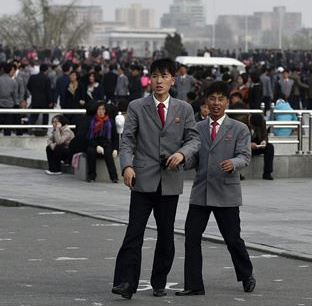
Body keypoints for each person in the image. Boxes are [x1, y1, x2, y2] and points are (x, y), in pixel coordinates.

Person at [112, 58, 200, 300]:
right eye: (155, 76)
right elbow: (127, 140)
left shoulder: (184, 108)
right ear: (150, 79)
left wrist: (182, 154)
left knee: (166, 234)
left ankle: (159, 281)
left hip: (170, 180)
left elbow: (194, 139)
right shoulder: (137, 106)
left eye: (164, 76)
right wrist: (127, 166)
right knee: (134, 233)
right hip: (141, 178)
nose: (159, 80)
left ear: (174, 79)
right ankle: (125, 282)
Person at [176, 81, 255, 296]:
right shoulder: (197, 128)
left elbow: (245, 156)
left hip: (226, 191)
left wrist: (234, 163)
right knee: (192, 237)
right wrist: (181, 161)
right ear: (206, 102)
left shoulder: (239, 128)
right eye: (212, 99)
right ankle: (194, 285)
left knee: (232, 239)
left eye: (221, 99)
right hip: (201, 192)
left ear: (228, 102)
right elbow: (194, 160)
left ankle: (246, 274)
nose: (216, 103)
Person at [85, 102, 119, 182]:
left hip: (106, 143)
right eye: (99, 109)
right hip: (94, 143)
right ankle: (91, 176)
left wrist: (116, 149)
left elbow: (115, 137)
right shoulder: (91, 121)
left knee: (108, 153)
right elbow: (88, 137)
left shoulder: (110, 122)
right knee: (91, 152)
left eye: (103, 109)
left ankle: (114, 177)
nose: (101, 111)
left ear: (105, 111)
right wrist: (96, 146)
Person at [0, 62, 19, 136]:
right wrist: (16, 105)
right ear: (10, 70)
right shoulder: (13, 82)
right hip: (9, 106)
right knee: (7, 127)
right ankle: (7, 141)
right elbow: (15, 97)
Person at [26, 64, 54, 129]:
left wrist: (33, 92)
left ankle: (29, 129)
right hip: (45, 102)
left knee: (34, 116)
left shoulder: (33, 77)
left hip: (35, 100)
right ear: (46, 70)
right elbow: (48, 91)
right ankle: (44, 130)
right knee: (45, 116)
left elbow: (28, 86)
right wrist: (50, 101)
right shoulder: (47, 79)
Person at [249, 113, 274, 180]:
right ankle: (237, 174)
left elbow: (265, 135)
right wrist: (249, 144)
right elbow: (238, 140)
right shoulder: (242, 123)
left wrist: (264, 141)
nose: (254, 128)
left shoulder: (262, 122)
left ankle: (267, 173)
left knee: (270, 147)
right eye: (253, 126)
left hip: (257, 144)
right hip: (246, 145)